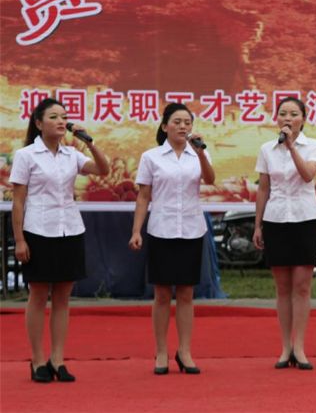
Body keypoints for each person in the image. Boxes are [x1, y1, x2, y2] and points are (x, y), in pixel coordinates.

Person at [11, 98, 110, 383]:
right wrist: (19, 240)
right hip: (38, 230)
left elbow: (103, 169)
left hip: (70, 229)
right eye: (53, 117)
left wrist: (89, 142)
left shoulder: (71, 154)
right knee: (39, 295)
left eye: (64, 117)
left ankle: (57, 359)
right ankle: (37, 360)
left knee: (63, 297)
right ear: (38, 123)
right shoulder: (26, 155)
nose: (61, 121)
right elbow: (19, 201)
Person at [128, 103, 216, 375]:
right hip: (162, 229)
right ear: (165, 126)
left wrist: (200, 154)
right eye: (176, 122)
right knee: (163, 293)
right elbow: (144, 196)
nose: (182, 126)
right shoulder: (151, 157)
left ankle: (185, 351)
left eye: (187, 122)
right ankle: (161, 352)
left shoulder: (198, 153)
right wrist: (136, 231)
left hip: (191, 228)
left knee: (187, 293)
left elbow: (210, 179)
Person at [253, 97, 316, 370]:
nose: (288, 118)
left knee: (302, 287)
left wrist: (291, 146)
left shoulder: (313, 145)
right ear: (276, 118)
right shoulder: (267, 149)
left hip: (305, 219)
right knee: (282, 288)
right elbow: (263, 189)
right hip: (276, 219)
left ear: (303, 119)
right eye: (283, 113)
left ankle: (300, 347)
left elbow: (307, 175)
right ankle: (285, 347)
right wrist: (258, 225)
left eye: (294, 114)